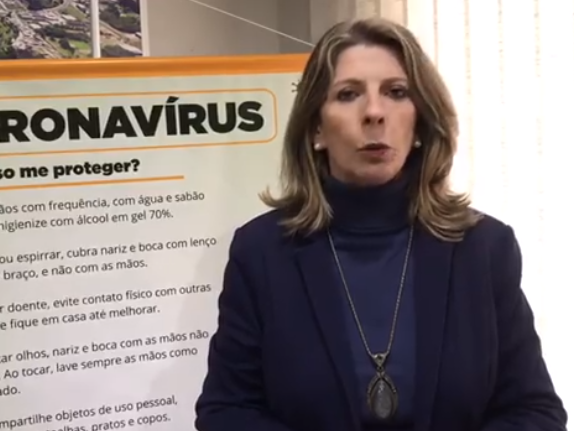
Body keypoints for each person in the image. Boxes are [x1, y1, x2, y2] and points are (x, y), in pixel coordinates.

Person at [195, 18, 567, 431]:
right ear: (316, 128)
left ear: (420, 122)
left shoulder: (484, 248)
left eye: (396, 92)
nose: (374, 112)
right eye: (348, 94)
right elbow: (226, 411)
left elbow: (535, 411)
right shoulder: (262, 251)